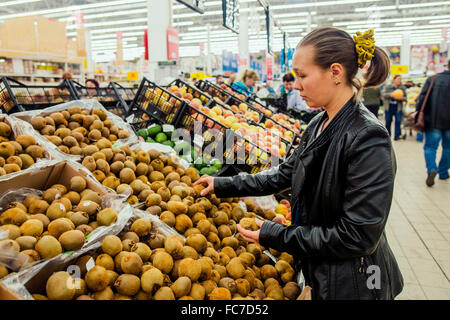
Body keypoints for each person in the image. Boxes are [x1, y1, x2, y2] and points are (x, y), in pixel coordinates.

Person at [194, 27, 403, 300]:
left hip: (354, 282)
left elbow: (357, 236)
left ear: (335, 72)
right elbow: (286, 173)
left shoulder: (369, 138)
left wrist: (278, 235)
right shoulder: (319, 122)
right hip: (320, 269)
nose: (296, 86)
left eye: (303, 76)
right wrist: (222, 184)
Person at [416, 59, 450, 187]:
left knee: (430, 147)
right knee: (448, 148)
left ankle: (432, 169)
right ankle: (443, 172)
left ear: (447, 66)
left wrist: (419, 113)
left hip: (433, 119)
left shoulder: (433, 79)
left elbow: (422, 98)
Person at [382, 75, 407, 140]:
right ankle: (387, 135)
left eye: (400, 79)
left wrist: (401, 98)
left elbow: (405, 98)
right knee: (388, 121)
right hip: (389, 107)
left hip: (398, 107)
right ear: (394, 80)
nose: (400, 80)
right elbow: (383, 95)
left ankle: (397, 136)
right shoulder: (388, 87)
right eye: (398, 79)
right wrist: (390, 94)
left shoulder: (403, 88)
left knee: (398, 121)